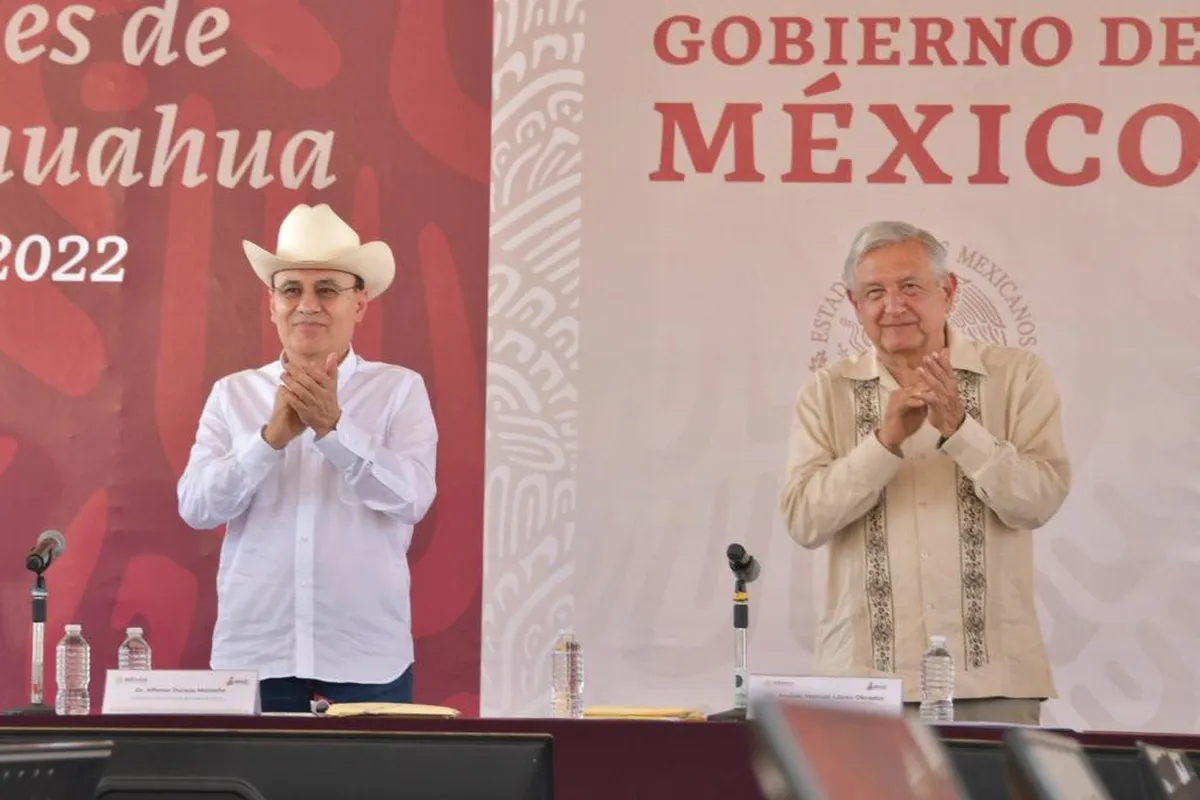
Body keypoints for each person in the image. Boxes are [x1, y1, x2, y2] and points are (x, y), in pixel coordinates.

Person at [779, 220, 1070, 725]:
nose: (893, 305)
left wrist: (962, 430)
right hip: (864, 688)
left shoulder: (1018, 376)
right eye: (874, 292)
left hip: (993, 683)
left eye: (910, 286)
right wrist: (883, 442)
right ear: (855, 306)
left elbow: (1039, 501)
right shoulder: (827, 392)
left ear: (948, 291)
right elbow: (805, 521)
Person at [177, 203, 438, 712]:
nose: (307, 305)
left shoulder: (399, 390)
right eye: (291, 289)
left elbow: (412, 499)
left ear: (360, 304)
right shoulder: (233, 395)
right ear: (271, 303)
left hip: (366, 658)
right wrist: (269, 438)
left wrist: (334, 429)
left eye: (327, 290)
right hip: (255, 655)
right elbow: (196, 507)